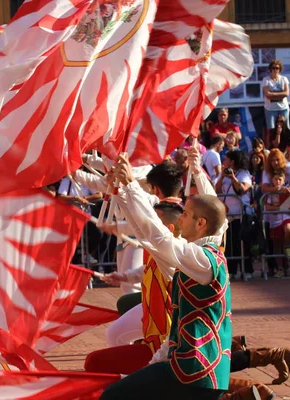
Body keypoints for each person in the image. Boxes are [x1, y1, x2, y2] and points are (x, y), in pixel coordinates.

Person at [102, 154, 238, 400]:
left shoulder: (204, 260)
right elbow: (150, 238)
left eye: (185, 214)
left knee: (113, 396)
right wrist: (122, 191)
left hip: (197, 369)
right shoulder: (192, 261)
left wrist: (131, 187)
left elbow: (160, 239)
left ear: (201, 223)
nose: (180, 217)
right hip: (189, 365)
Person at [85, 201, 181, 375]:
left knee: (96, 361)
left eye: (154, 222)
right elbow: (150, 267)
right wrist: (125, 276)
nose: (148, 225)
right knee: (115, 332)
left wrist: (127, 185)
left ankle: (135, 377)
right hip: (152, 311)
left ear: (170, 228)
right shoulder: (159, 246)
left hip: (168, 335)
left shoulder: (178, 252)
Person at [216, 150, 254, 279]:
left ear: (232, 161)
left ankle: (247, 270)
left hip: (241, 215)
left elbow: (241, 189)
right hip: (228, 216)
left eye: (226, 159)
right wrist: (222, 176)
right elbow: (217, 189)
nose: (224, 161)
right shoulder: (224, 174)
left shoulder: (244, 174)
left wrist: (233, 178)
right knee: (231, 245)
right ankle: (232, 271)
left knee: (244, 243)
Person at [264, 170, 290, 278]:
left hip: (286, 216)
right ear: (272, 180)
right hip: (274, 220)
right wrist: (278, 208)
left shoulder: (287, 190)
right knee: (277, 244)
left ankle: (287, 246)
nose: (277, 181)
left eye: (280, 179)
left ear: (284, 180)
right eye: (275, 179)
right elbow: (267, 207)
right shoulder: (270, 192)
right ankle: (280, 268)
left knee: (289, 229)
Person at [262, 59, 290, 135]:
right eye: (273, 68)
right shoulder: (266, 80)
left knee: (285, 129)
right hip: (270, 109)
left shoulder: (284, 79)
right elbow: (267, 94)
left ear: (280, 69)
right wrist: (280, 94)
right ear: (270, 69)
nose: (275, 70)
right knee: (271, 130)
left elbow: (287, 93)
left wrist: (273, 94)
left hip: (283, 108)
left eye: (277, 68)